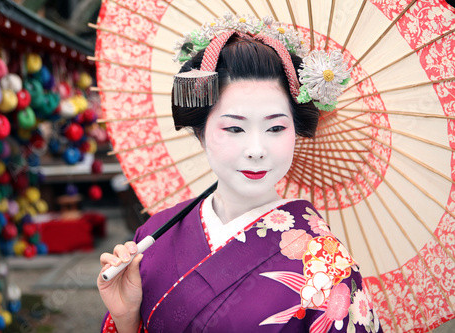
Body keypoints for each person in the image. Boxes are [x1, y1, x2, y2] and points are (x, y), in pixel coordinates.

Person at [98, 13, 382, 333]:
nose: (257, 149)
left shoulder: (327, 263)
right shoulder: (154, 234)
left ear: (296, 131)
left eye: (275, 127)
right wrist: (125, 319)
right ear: (201, 130)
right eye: (234, 127)